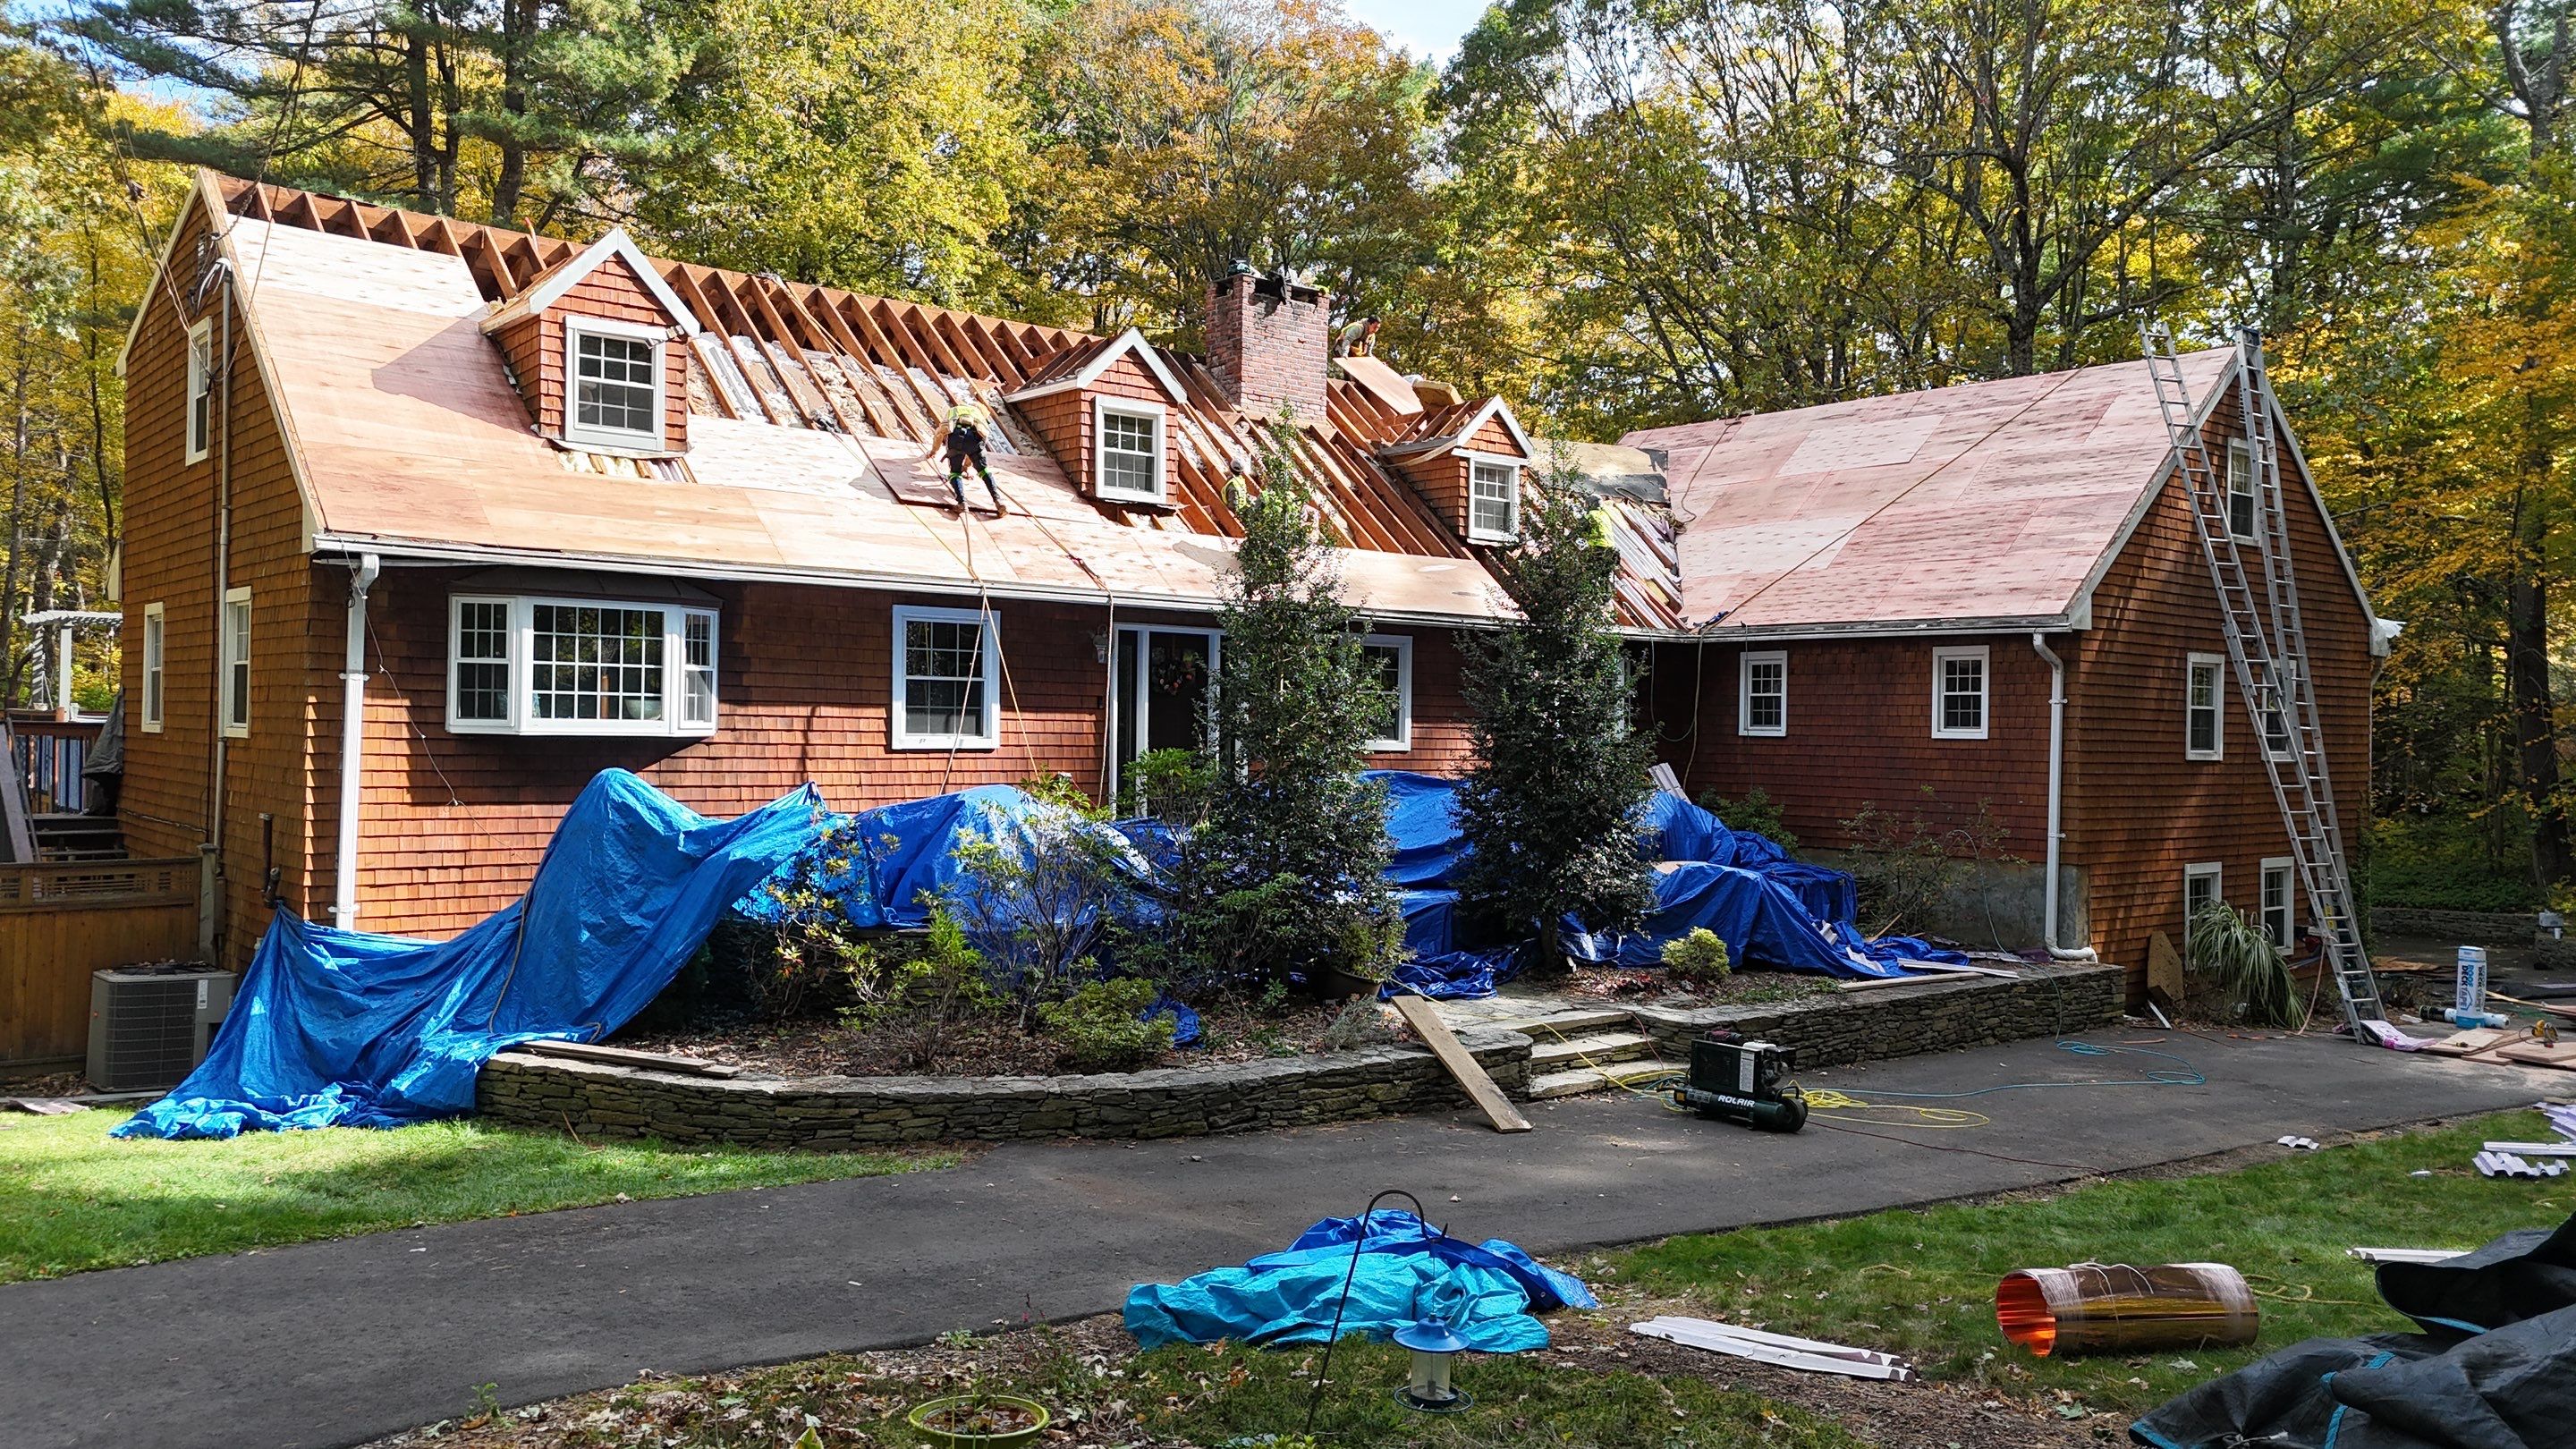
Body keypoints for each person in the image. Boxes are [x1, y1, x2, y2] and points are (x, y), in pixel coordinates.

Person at [924, 402, 1005, 514]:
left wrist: (933, 451)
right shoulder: (980, 417)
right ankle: (999, 501)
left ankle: (962, 503)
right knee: (983, 470)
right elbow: (977, 445)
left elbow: (940, 433)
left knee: (955, 472)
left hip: (956, 438)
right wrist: (966, 467)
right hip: (975, 440)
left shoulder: (954, 410)